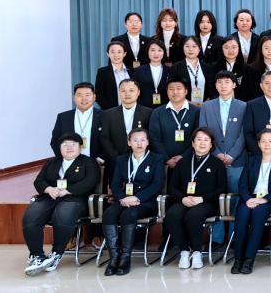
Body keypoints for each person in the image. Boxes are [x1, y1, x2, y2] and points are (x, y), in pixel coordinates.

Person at [22, 133, 101, 276]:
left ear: (80, 147)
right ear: (59, 148)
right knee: (31, 216)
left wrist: (67, 191)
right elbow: (39, 181)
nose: (69, 147)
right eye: (65, 145)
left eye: (73, 144)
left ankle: (56, 254)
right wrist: (49, 189)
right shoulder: (52, 162)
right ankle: (37, 255)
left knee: (63, 214)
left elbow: (90, 181)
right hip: (50, 197)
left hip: (75, 198)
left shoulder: (88, 162)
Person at [102, 129, 165, 276]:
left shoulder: (156, 159)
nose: (139, 143)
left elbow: (157, 184)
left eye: (143, 140)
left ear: (148, 142)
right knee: (109, 214)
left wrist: (137, 198)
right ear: (129, 142)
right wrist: (122, 198)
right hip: (124, 200)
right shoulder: (122, 159)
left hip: (146, 201)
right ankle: (114, 258)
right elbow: (115, 184)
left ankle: (125, 258)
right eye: (135, 140)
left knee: (129, 215)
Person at [163, 128, 227, 270]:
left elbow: (221, 188)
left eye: (206, 140)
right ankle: (184, 251)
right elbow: (172, 187)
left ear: (211, 144)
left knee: (193, 216)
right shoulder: (183, 163)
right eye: (198, 139)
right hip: (184, 200)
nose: (202, 143)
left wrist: (201, 199)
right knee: (172, 215)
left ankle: (197, 252)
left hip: (206, 202)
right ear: (192, 143)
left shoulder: (217, 163)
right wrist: (183, 198)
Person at [229, 129, 271, 274]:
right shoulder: (251, 160)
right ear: (258, 144)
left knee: (258, 214)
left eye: (270, 141)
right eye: (263, 141)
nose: (266, 144)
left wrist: (264, 199)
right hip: (250, 198)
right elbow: (242, 184)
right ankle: (238, 259)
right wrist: (248, 199)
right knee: (242, 214)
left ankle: (249, 259)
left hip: (269, 200)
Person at [99, 80, 153, 178]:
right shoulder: (108, 114)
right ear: (119, 92)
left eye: (131, 90)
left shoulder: (149, 113)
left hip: (142, 160)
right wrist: (116, 157)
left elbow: (151, 136)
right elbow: (104, 137)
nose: (127, 94)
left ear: (138, 92)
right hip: (115, 162)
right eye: (123, 91)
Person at [149, 77, 201, 172]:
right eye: (171, 89)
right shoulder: (157, 112)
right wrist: (166, 159)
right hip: (164, 163)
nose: (175, 92)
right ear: (167, 92)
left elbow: (199, 137)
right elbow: (154, 138)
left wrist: (184, 156)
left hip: (190, 161)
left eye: (179, 88)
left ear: (186, 91)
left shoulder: (196, 111)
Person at [50, 82, 104, 160]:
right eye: (79, 95)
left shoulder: (105, 116)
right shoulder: (63, 117)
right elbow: (55, 141)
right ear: (74, 98)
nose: (84, 99)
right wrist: (65, 160)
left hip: (96, 162)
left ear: (94, 97)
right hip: (70, 162)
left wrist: (101, 160)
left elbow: (110, 141)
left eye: (87, 95)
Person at [171, 35, 214, 104]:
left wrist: (206, 103)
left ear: (199, 48)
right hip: (183, 105)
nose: (190, 49)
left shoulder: (207, 67)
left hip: (205, 105)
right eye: (187, 46)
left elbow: (212, 88)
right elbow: (172, 88)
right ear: (183, 48)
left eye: (194, 46)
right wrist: (187, 103)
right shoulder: (176, 67)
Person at [94, 41, 132, 110]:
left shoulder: (133, 71)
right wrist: (112, 111)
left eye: (119, 52)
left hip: (132, 110)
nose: (116, 55)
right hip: (111, 111)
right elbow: (98, 95)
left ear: (124, 54)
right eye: (113, 52)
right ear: (108, 54)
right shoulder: (102, 72)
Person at [243, 36, 271, 101]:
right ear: (261, 49)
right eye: (266, 48)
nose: (269, 51)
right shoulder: (251, 68)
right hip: (258, 101)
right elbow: (250, 89)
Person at [135, 40, 169, 108]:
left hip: (165, 108)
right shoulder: (139, 70)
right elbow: (135, 90)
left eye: (159, 50)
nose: (156, 53)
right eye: (152, 50)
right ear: (147, 52)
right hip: (144, 108)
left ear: (164, 53)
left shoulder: (169, 71)